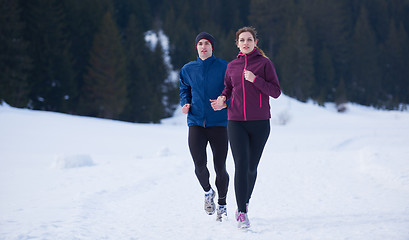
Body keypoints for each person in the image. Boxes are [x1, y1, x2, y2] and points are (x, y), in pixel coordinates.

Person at [211, 26, 281, 228]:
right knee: (241, 164)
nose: (246, 43)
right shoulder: (232, 65)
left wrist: (256, 79)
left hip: (260, 123)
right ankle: (242, 212)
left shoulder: (265, 64)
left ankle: (245, 200)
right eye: (242, 40)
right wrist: (223, 98)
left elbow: (275, 92)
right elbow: (228, 87)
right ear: (237, 43)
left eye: (249, 39)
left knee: (251, 167)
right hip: (235, 122)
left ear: (255, 42)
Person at [179, 32, 230, 221]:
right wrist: (185, 103)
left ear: (212, 47)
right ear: (196, 47)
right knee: (199, 165)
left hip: (219, 123)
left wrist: (225, 101)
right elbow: (184, 89)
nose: (203, 46)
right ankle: (208, 192)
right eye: (200, 43)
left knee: (220, 167)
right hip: (196, 123)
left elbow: (234, 90)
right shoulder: (187, 69)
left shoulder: (225, 67)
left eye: (207, 43)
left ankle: (222, 204)